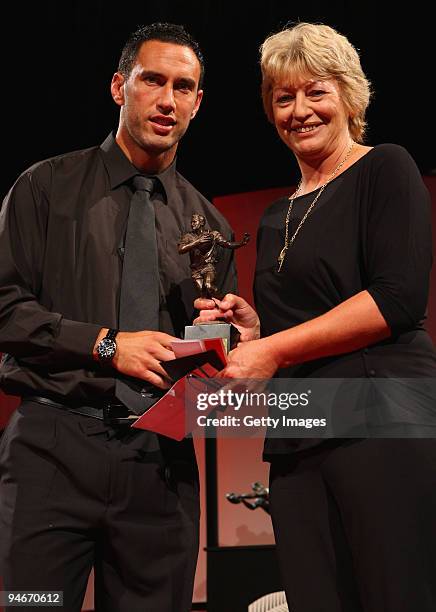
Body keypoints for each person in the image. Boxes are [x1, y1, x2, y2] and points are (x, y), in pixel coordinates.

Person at [196, 22, 436, 612]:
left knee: (394, 593)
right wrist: (256, 333)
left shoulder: (385, 167)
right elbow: (299, 329)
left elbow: (396, 297)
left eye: (316, 92)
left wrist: (273, 350)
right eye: (284, 97)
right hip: (297, 430)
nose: (299, 110)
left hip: (380, 420)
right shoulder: (278, 214)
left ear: (350, 96)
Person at [0, 22, 237, 612]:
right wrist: (107, 345)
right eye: (151, 80)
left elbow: (206, 376)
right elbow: (4, 308)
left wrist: (228, 343)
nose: (167, 100)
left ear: (198, 103)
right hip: (51, 453)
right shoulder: (44, 188)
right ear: (118, 87)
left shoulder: (209, 227)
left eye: (183, 87)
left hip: (160, 468)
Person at [178, 213, 249, 297]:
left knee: (208, 285)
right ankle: (211, 306)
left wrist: (242, 243)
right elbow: (181, 250)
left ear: (201, 223)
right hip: (196, 269)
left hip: (208, 266)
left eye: (194, 222)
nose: (192, 224)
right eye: (191, 222)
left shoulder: (212, 234)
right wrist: (198, 241)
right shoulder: (188, 236)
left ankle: (219, 299)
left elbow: (227, 244)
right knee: (201, 293)